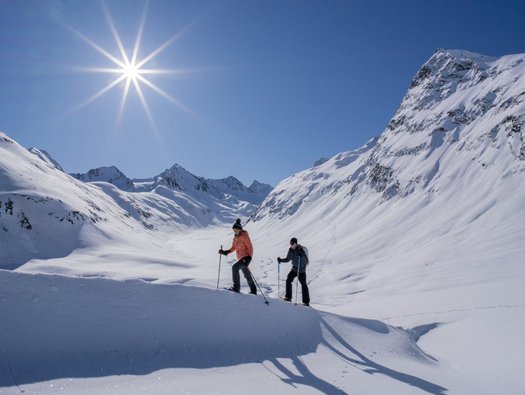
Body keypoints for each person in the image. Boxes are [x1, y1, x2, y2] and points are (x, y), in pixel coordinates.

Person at [219, 219, 256, 294]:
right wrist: (225, 252)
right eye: (233, 229)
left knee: (235, 268)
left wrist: (249, 258)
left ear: (239, 229)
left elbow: (250, 247)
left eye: (235, 229)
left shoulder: (244, 236)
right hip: (240, 258)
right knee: (247, 275)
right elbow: (233, 248)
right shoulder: (235, 238)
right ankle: (253, 290)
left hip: (245, 257)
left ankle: (236, 288)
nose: (234, 231)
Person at [277, 237, 310, 306]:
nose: (291, 245)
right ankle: (288, 297)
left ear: (296, 243)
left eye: (292, 243)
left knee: (303, 284)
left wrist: (301, 257)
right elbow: (288, 259)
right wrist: (281, 260)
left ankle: (306, 302)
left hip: (301, 270)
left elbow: (306, 261)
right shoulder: (291, 250)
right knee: (288, 280)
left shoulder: (301, 250)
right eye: (290, 243)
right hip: (294, 269)